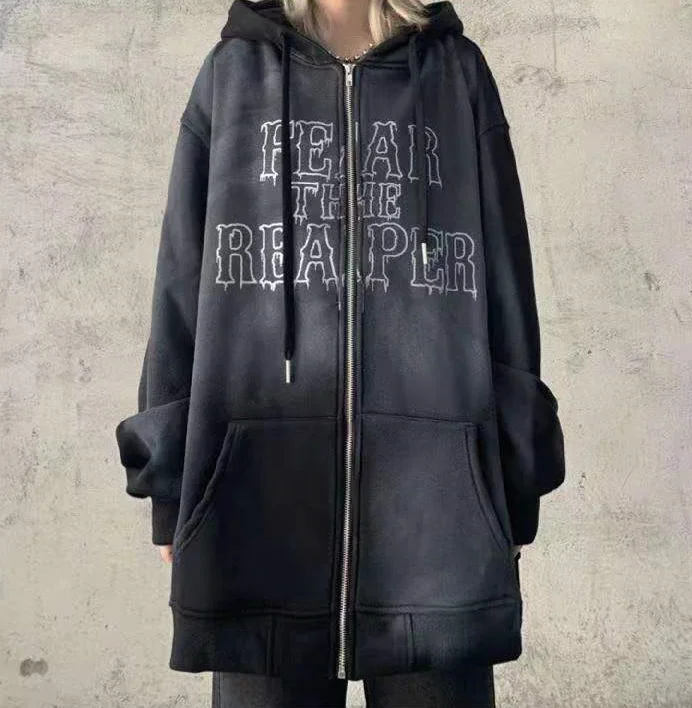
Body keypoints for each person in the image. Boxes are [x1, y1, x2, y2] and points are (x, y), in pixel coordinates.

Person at [114, 0, 566, 705]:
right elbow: (181, 288)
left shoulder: (456, 74)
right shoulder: (234, 74)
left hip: (437, 526)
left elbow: (506, 282)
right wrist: (172, 487)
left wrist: (509, 481)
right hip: (258, 508)